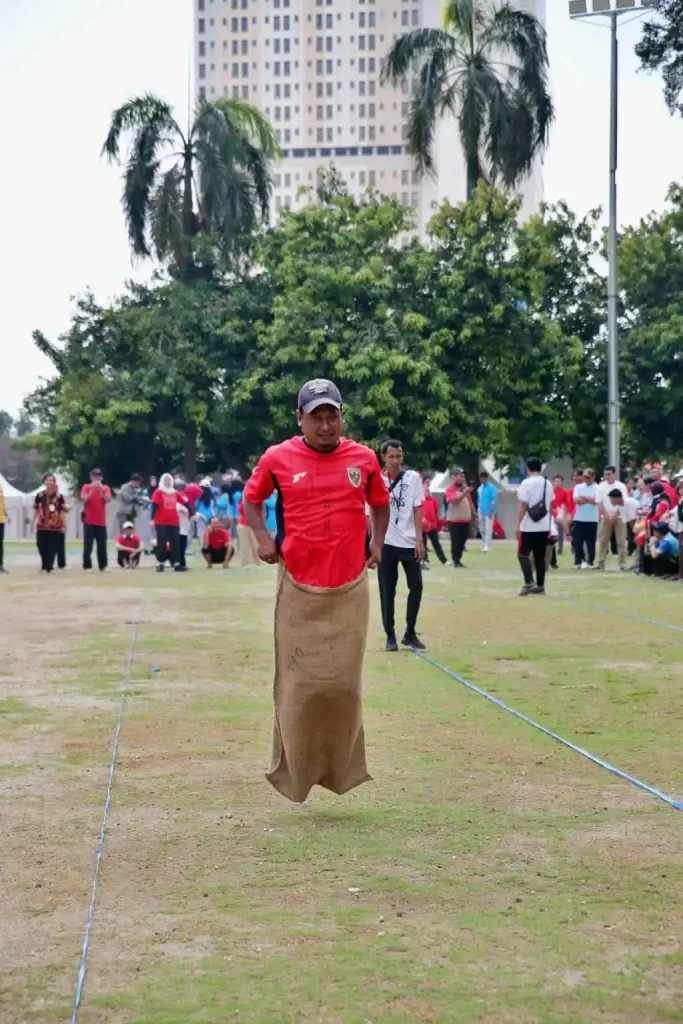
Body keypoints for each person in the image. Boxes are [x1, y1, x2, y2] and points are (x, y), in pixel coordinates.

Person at [243, 378, 390, 804]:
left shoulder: (363, 458)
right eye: (316, 417)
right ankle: (294, 772)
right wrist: (262, 537)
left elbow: (380, 503)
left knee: (344, 688)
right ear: (300, 419)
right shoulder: (277, 458)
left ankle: (343, 769)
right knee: (300, 689)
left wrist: (378, 543)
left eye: (332, 416)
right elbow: (252, 499)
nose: (325, 426)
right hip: (299, 589)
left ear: (342, 417)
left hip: (349, 588)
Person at [377, 440, 425, 652]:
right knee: (387, 589)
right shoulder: (377, 480)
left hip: (409, 541)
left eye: (399, 456)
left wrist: (419, 539)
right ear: (384, 458)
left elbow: (417, 508)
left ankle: (410, 633)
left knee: (416, 586)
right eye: (391, 457)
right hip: (386, 543)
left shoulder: (413, 478)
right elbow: (371, 511)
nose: (396, 460)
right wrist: (373, 542)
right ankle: (390, 635)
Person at [516, 457, 553, 595]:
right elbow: (550, 504)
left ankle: (529, 581)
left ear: (528, 468)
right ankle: (540, 585)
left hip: (529, 525)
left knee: (522, 554)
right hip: (543, 524)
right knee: (539, 556)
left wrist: (518, 524)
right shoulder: (548, 483)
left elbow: (523, 505)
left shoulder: (526, 483)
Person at [150, 472, 185, 572]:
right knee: (162, 542)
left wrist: (192, 512)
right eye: (165, 480)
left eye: (169, 480)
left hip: (174, 521)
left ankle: (176, 563)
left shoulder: (175, 492)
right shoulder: (158, 492)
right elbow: (154, 506)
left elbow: (184, 502)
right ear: (162, 481)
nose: (167, 482)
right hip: (161, 521)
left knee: (175, 542)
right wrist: (152, 519)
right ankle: (160, 563)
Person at [594, 465, 628, 570]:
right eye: (605, 474)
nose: (607, 476)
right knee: (603, 540)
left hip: (620, 516)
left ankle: (622, 562)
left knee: (621, 541)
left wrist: (615, 514)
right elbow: (599, 502)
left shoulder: (621, 486)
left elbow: (624, 502)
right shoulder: (601, 486)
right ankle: (601, 562)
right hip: (606, 515)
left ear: (614, 474)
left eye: (609, 474)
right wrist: (607, 515)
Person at [33, 474, 67, 572]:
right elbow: (36, 509)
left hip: (55, 526)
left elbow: (62, 511)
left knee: (52, 548)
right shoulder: (39, 495)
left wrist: (63, 524)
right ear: (44, 482)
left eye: (51, 480)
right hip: (42, 525)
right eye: (47, 480)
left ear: (54, 483)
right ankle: (45, 564)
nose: (49, 482)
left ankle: (48, 567)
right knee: (41, 546)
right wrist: (33, 521)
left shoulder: (59, 497)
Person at [81, 468, 112, 571]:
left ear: (101, 478)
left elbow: (108, 500)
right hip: (89, 520)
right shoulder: (86, 487)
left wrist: (101, 489)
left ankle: (103, 565)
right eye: (94, 476)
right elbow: (84, 499)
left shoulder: (105, 488)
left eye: (98, 476)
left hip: (101, 521)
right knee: (88, 545)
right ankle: (87, 565)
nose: (96, 478)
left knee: (102, 545)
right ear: (91, 477)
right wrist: (92, 490)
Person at [445, 469, 475, 568]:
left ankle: (459, 559)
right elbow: (454, 501)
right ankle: (456, 560)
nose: (462, 478)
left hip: (465, 519)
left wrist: (474, 515)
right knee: (456, 541)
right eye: (460, 476)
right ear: (453, 477)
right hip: (454, 520)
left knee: (463, 541)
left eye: (463, 477)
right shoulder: (450, 489)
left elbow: (470, 502)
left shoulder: (465, 488)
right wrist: (464, 492)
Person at [572, 468, 599, 569]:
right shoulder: (578, 487)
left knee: (591, 542)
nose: (586, 479)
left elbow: (596, 500)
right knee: (578, 541)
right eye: (584, 477)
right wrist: (589, 499)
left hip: (592, 519)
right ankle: (578, 562)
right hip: (579, 518)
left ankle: (590, 562)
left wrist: (584, 497)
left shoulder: (597, 488)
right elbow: (576, 500)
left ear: (593, 477)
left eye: (588, 477)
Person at [421, 477, 447, 568]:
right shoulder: (419, 500)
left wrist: (439, 522)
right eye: (423, 491)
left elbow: (437, 512)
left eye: (426, 491)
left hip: (431, 525)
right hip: (422, 525)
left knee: (436, 543)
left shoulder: (433, 500)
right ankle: (424, 560)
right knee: (423, 543)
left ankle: (443, 560)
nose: (425, 492)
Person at [477, 470, 498, 553]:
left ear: (487, 478)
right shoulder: (480, 488)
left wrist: (491, 511)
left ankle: (488, 547)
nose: (483, 480)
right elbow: (479, 500)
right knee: (481, 529)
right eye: (481, 479)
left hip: (489, 511)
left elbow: (494, 500)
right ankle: (484, 544)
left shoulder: (491, 488)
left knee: (488, 529)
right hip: (481, 511)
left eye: (484, 479)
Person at [237, 499, 261, 567]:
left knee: (255, 544)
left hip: (254, 525)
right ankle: (246, 563)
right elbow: (243, 510)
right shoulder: (242, 503)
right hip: (243, 525)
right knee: (244, 545)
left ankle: (258, 562)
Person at [551, 475, 568, 556]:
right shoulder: (550, 491)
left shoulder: (564, 492)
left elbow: (566, 503)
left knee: (560, 532)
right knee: (552, 532)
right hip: (551, 512)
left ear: (562, 482)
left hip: (560, 511)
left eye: (559, 481)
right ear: (553, 482)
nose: (557, 483)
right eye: (556, 481)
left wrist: (565, 514)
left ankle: (560, 549)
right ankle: (552, 548)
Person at [0, 476, 9, 574]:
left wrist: (6, 514)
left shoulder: (1, 487)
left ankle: (0, 565)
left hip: (1, 521)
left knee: (0, 543)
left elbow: (2, 503)